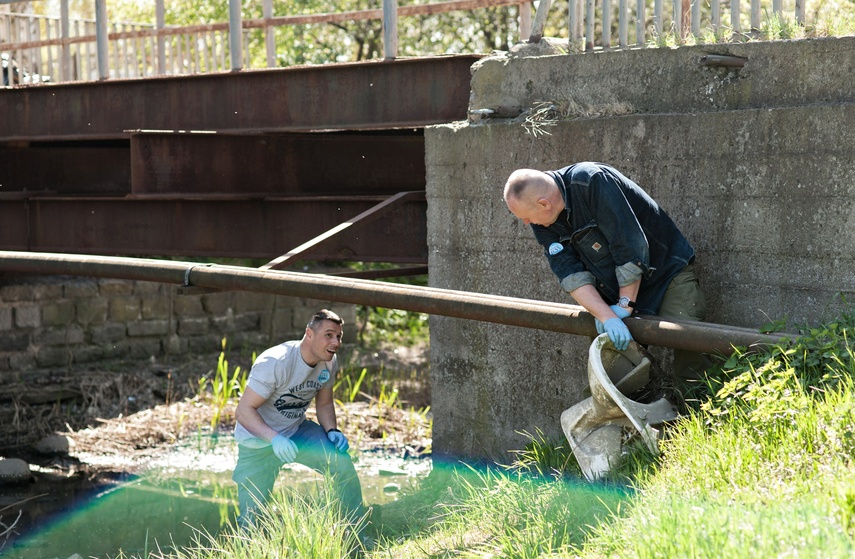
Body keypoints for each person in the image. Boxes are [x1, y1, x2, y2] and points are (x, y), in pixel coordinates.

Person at [503, 162, 709, 386]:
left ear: (544, 203)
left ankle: (699, 415)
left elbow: (630, 248)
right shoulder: (542, 219)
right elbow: (570, 273)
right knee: (609, 374)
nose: (525, 223)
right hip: (613, 292)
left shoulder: (592, 181)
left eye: (525, 216)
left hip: (666, 274)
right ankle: (623, 420)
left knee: (690, 349)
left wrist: (624, 305)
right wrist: (606, 316)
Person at [232, 308, 367, 530]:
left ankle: (356, 533)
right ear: (309, 334)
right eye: (329, 335)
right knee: (252, 519)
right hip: (258, 442)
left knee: (341, 464)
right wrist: (274, 439)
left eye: (339, 336)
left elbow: (324, 403)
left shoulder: (328, 362)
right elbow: (243, 411)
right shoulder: (275, 362)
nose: (336, 342)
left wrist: (332, 430)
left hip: (296, 431)